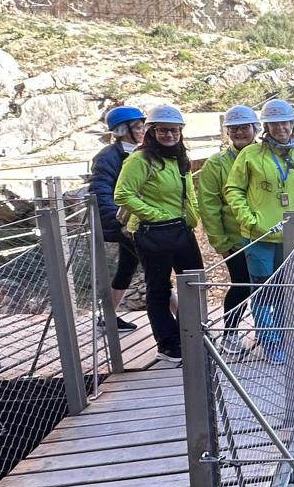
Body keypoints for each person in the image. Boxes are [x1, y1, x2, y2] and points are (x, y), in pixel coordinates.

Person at [224, 97, 294, 364]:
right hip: (259, 236)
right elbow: (233, 189)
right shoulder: (250, 155)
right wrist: (249, 219)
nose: (280, 128)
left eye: (285, 122)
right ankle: (270, 341)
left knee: (287, 290)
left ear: (293, 123)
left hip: (291, 236)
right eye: (274, 124)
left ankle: (288, 337)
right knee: (263, 291)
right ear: (266, 126)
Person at [112, 104, 201, 365]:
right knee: (159, 288)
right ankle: (168, 344)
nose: (169, 135)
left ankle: (189, 336)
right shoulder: (140, 160)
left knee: (194, 284)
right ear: (152, 131)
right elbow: (122, 194)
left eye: (174, 130)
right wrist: (155, 214)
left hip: (181, 229)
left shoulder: (178, 157)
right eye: (163, 130)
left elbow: (188, 192)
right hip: (153, 232)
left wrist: (191, 217)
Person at [193, 105, 259, 355]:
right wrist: (220, 242)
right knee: (242, 285)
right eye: (234, 129)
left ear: (255, 128)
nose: (240, 132)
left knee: (271, 287)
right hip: (235, 238)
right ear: (227, 132)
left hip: (266, 235)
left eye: (244, 127)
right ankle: (230, 334)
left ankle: (270, 334)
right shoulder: (216, 164)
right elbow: (209, 205)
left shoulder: (266, 156)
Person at [88, 104, 145, 332]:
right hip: (126, 223)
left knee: (127, 267)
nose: (143, 131)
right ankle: (184, 319)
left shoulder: (139, 152)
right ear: (123, 130)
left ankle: (108, 317)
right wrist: (119, 223)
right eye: (138, 127)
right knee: (155, 269)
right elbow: (101, 191)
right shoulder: (108, 157)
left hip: (138, 220)